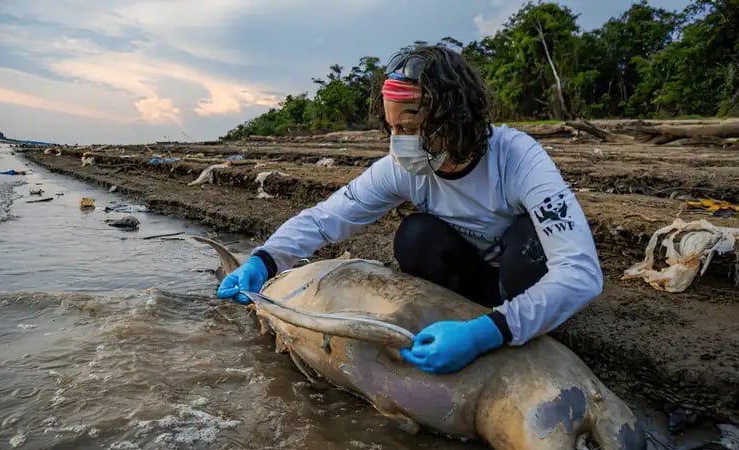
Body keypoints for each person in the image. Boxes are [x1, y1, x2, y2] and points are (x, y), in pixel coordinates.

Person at [217, 45, 604, 375]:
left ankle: (510, 325)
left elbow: (581, 273)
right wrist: (265, 260)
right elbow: (328, 218)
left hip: (518, 279)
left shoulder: (518, 159)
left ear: (456, 120)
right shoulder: (403, 168)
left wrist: (487, 332)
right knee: (416, 236)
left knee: (529, 239)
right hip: (469, 281)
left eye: (413, 128)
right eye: (393, 130)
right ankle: (462, 322)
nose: (401, 143)